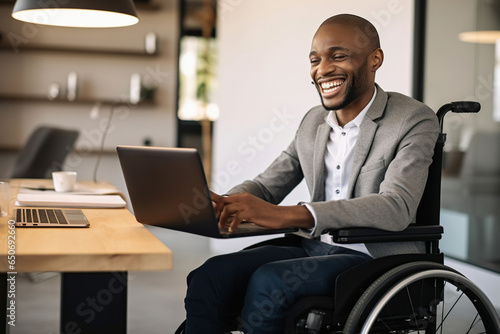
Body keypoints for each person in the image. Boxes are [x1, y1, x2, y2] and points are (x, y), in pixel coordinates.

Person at [183, 13, 439, 334]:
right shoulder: (314, 121)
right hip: (316, 247)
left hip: (373, 257)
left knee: (271, 282)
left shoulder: (413, 119)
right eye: (314, 59)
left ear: (375, 59)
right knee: (211, 275)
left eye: (338, 56)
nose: (322, 69)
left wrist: (294, 215)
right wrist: (225, 203)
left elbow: (396, 207)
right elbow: (266, 185)